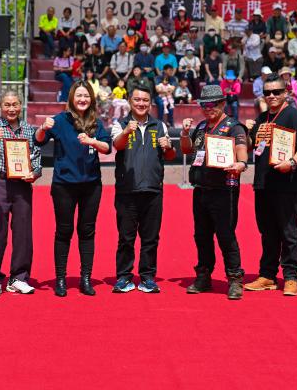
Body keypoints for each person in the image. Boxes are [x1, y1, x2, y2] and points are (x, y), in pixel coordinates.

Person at [34, 81, 112, 297]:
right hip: (64, 185)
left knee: (87, 231)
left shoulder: (96, 122)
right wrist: (42, 128)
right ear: (71, 98)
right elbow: (38, 141)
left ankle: (86, 278)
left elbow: (107, 148)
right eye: (79, 96)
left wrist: (92, 141)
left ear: (91, 99)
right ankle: (60, 278)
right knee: (64, 231)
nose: (82, 100)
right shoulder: (60, 120)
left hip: (91, 185)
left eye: (86, 96)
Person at [245, 73, 297, 296]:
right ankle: (267, 275)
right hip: (263, 184)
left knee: (289, 231)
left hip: (288, 184)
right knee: (267, 232)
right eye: (267, 92)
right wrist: (247, 132)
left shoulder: (293, 115)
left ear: (286, 93)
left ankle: (291, 276)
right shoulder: (262, 118)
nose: (271, 96)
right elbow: (251, 146)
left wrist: (291, 162)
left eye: (276, 92)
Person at [180, 85, 250, 300]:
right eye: (204, 105)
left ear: (222, 104)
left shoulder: (233, 127)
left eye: (213, 104)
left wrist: (241, 164)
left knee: (226, 235)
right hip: (201, 189)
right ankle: (203, 276)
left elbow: (242, 150)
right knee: (201, 236)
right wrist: (184, 133)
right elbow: (186, 149)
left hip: (224, 190)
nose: (208, 108)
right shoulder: (201, 127)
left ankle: (235, 279)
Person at [111, 86, 175, 293]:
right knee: (126, 238)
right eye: (137, 100)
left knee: (150, 238)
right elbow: (117, 145)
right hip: (127, 191)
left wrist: (169, 147)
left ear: (150, 103)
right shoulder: (120, 124)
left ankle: (147, 277)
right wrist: (126, 132)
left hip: (153, 190)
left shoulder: (160, 125)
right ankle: (124, 277)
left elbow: (170, 155)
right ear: (130, 101)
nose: (141, 104)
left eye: (145, 100)